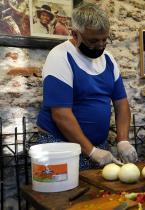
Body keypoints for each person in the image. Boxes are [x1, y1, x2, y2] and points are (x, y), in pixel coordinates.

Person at [36, 3, 138, 170]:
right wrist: (91, 151)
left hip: (97, 146)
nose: (100, 45)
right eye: (93, 40)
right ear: (75, 34)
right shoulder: (60, 57)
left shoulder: (109, 60)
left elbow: (121, 103)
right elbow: (61, 114)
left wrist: (123, 140)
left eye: (105, 39)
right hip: (62, 146)